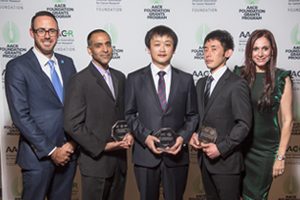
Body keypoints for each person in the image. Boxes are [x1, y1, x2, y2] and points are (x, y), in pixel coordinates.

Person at [5, 11, 77, 200]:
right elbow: (20, 116)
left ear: (58, 33)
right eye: (41, 30)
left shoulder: (67, 63)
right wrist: (52, 151)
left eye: (52, 30)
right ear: (32, 33)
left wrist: (71, 144)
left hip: (69, 153)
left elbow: (76, 107)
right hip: (38, 157)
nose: (47, 35)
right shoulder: (17, 66)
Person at [125, 25, 199, 200]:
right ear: (148, 48)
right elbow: (129, 114)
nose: (162, 49)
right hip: (145, 156)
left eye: (167, 44)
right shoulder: (134, 79)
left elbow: (192, 115)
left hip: (176, 157)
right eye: (157, 44)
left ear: (174, 49)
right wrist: (146, 137)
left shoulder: (186, 80)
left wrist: (181, 139)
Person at [64, 29, 133, 200]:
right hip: (95, 164)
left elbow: (124, 115)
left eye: (108, 44)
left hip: (120, 162)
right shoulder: (79, 80)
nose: (105, 49)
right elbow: (72, 124)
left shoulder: (120, 77)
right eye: (98, 45)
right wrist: (102, 146)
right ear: (89, 50)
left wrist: (130, 133)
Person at [189, 30, 252, 200]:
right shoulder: (201, 83)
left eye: (214, 49)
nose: (208, 54)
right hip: (205, 161)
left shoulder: (237, 84)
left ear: (228, 53)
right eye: (205, 49)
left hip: (227, 163)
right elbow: (200, 117)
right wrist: (194, 135)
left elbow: (244, 124)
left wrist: (221, 148)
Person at [234, 29, 293, 200]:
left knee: (256, 196)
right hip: (239, 147)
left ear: (272, 50)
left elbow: (288, 120)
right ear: (249, 51)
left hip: (265, 150)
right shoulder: (239, 74)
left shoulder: (282, 78)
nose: (260, 54)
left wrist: (280, 156)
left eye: (265, 49)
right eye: (255, 49)